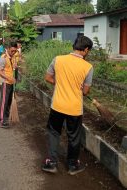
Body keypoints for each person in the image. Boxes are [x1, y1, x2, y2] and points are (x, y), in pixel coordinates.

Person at [42, 36, 93, 175]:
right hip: (74, 109)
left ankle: (51, 163)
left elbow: (48, 77)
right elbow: (85, 91)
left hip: (57, 105)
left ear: (74, 46)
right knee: (74, 137)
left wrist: (58, 83)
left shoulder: (58, 59)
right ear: (86, 49)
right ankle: (72, 165)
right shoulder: (88, 67)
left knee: (54, 132)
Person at [0, 41, 18, 128]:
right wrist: (9, 78)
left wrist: (15, 67)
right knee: (4, 101)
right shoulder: (3, 57)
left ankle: (7, 116)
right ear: (8, 49)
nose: (13, 52)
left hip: (11, 82)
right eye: (12, 51)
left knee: (9, 101)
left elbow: (11, 68)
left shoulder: (13, 57)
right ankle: (2, 120)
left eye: (15, 51)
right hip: (5, 82)